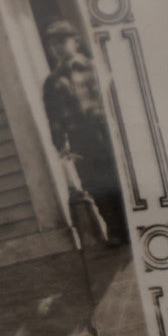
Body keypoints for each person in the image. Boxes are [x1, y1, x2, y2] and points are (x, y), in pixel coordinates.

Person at [41, 20, 129, 246]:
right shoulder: (52, 82)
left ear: (75, 42)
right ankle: (115, 230)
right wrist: (60, 144)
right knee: (93, 183)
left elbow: (115, 99)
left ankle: (130, 224)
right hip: (80, 137)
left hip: (105, 130)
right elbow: (54, 117)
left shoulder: (94, 67)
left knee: (117, 176)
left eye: (62, 41)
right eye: (53, 44)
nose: (58, 47)